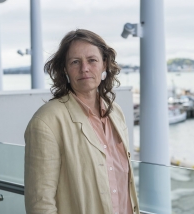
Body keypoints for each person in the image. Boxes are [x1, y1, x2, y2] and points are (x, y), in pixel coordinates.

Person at [24, 29, 139, 214]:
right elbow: (40, 202)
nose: (84, 68)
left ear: (105, 64)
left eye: (92, 60)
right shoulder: (46, 122)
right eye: (75, 62)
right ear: (64, 69)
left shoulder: (115, 113)